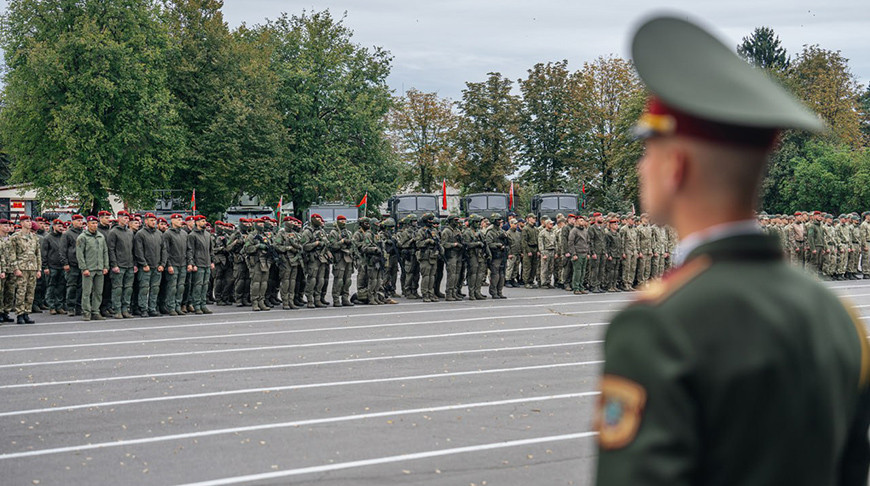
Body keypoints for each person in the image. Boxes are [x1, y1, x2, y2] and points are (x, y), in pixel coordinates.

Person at [595, 15, 870, 485]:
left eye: (648, 150)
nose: (642, 167)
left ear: (675, 167)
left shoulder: (658, 325)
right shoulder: (836, 315)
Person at [7, 215, 42, 324]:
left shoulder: (34, 237)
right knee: (21, 292)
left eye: (30, 221)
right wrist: (15, 268)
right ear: (21, 223)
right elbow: (12, 253)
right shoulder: (15, 237)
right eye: (27, 221)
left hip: (32, 268)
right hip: (21, 267)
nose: (29, 223)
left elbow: (38, 254)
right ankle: (20, 314)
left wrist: (39, 269)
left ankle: (27, 312)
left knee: (30, 292)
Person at [76, 216, 109, 321]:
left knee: (98, 292)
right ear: (88, 224)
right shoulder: (82, 237)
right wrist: (83, 268)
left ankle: (95, 311)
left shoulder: (101, 236)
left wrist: (105, 266)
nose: (94, 225)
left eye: (96, 223)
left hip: (99, 268)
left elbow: (105, 252)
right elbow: (79, 254)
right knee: (87, 292)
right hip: (89, 268)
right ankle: (86, 312)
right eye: (92, 223)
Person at [133, 213, 166, 317]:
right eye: (151, 220)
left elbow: (164, 250)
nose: (153, 222)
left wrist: (162, 264)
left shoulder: (159, 234)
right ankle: (143, 308)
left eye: (154, 220)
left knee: (155, 288)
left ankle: (152, 308)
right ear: (146, 221)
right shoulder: (140, 234)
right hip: (146, 267)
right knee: (144, 288)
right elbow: (138, 250)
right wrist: (143, 263)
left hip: (157, 266)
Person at [107, 211, 136, 319]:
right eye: (124, 218)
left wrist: (134, 264)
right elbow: (111, 249)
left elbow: (133, 249)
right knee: (117, 289)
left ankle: (125, 309)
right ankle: (117, 310)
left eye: (127, 218)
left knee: (128, 289)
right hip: (119, 265)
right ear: (119, 218)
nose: (126, 220)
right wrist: (114, 264)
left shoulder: (129, 232)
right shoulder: (113, 232)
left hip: (129, 264)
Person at [41, 219, 67, 315]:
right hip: (52, 266)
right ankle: (51, 306)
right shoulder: (47, 238)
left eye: (62, 226)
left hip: (62, 266)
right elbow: (44, 253)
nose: (61, 228)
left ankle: (59, 306)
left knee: (60, 287)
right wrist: (45, 267)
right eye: (59, 226)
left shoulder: (64, 237)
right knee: (51, 287)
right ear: (54, 226)